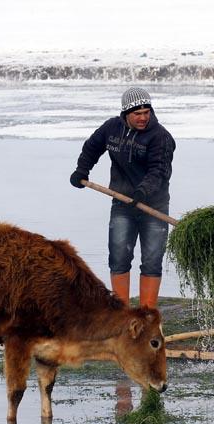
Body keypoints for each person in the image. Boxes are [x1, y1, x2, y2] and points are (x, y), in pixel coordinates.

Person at [69, 87, 175, 308]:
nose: (143, 117)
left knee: (152, 261)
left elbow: (159, 171)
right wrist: (82, 171)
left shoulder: (161, 137)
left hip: (154, 208)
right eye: (138, 113)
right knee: (118, 258)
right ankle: (122, 313)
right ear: (126, 113)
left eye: (147, 112)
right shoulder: (112, 128)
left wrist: (142, 191)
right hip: (122, 205)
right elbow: (92, 147)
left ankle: (147, 314)